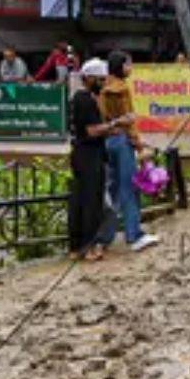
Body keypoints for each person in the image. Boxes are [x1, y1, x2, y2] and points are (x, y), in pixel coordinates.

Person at [99, 51, 160, 252]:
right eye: (128, 64)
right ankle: (134, 235)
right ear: (121, 66)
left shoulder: (103, 88)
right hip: (122, 140)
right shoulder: (122, 88)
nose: (131, 67)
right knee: (129, 188)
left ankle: (105, 237)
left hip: (108, 140)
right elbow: (130, 119)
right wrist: (138, 144)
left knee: (114, 189)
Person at [68, 59, 120, 262]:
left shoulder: (86, 99)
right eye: (100, 80)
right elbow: (91, 130)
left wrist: (110, 128)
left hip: (86, 154)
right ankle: (87, 247)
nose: (103, 83)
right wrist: (115, 123)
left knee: (81, 200)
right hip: (88, 156)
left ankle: (77, 246)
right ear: (89, 79)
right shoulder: (84, 100)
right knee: (90, 202)